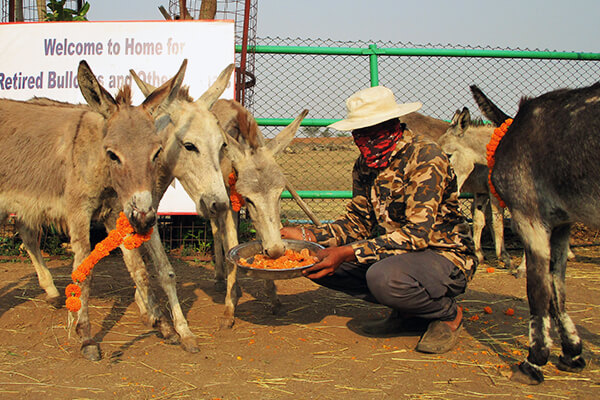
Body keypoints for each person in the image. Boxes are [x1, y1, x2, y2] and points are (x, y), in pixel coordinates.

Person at [281, 86, 477, 354]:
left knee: (383, 277)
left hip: (443, 256)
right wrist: (307, 238)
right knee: (315, 259)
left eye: (372, 130)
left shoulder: (426, 157)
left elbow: (417, 236)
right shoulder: (365, 164)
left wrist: (347, 252)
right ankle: (408, 312)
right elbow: (357, 222)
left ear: (393, 124)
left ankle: (445, 314)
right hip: (396, 254)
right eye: (359, 132)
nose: (365, 139)